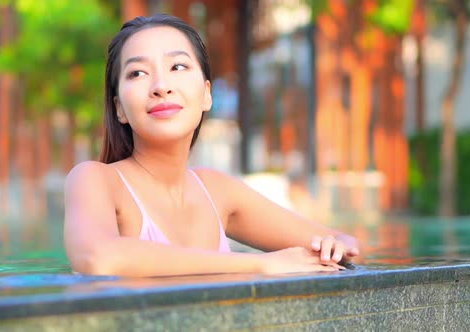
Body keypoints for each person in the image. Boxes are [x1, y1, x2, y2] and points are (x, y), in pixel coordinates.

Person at [64, 14, 360, 277]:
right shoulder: (95, 180)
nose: (160, 86)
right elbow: (98, 258)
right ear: (120, 109)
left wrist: (333, 247)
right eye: (137, 73)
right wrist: (259, 264)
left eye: (178, 66)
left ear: (207, 94)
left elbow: (346, 244)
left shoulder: (216, 192)